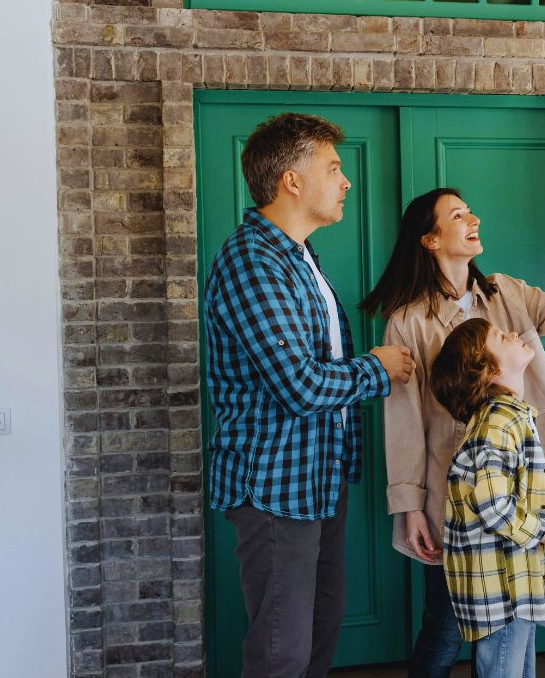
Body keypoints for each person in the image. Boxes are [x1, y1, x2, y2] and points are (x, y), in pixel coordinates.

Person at [359, 188, 545, 676]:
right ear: (430, 239)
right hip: (451, 497)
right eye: (458, 215)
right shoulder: (407, 322)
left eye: (469, 210)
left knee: (514, 616)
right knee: (446, 623)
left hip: (522, 489)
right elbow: (403, 420)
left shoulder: (505, 293)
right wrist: (409, 505)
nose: (473, 218)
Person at [202, 112, 415, 678]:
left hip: (318, 478)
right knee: (282, 652)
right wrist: (377, 369)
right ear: (292, 180)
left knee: (318, 634)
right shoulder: (252, 261)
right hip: (275, 486)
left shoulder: (299, 257)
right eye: (334, 168)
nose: (346, 181)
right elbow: (299, 385)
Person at [430, 318, 545, 678]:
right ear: (491, 370)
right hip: (501, 591)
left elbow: (524, 489)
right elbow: (494, 506)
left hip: (517, 583)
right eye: (501, 336)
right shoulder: (496, 425)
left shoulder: (511, 418)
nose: (513, 334)